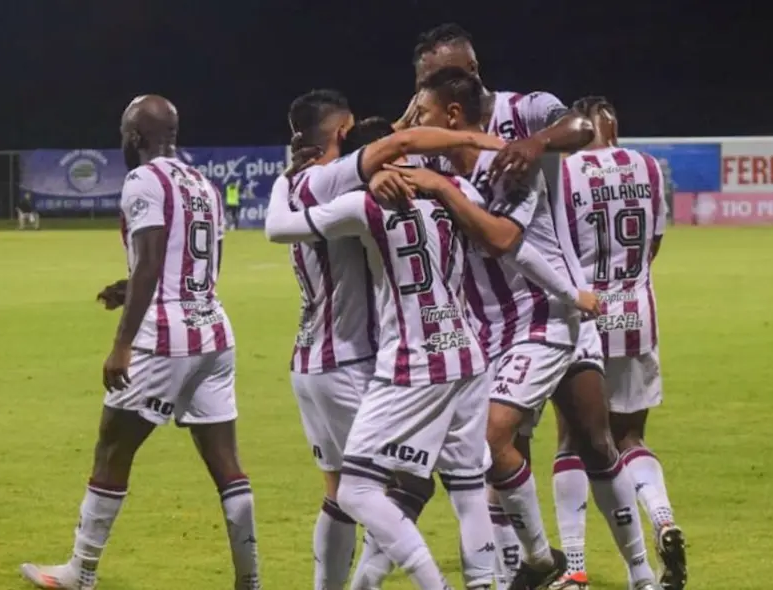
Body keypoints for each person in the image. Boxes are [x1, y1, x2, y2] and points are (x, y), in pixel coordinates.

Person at [346, 23, 601, 590]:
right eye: (420, 86)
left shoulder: (524, 115)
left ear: (465, 77)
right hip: (471, 324)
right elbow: (377, 150)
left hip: (539, 309)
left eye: (431, 85)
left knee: (504, 439)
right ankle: (515, 568)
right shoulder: (429, 136)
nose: (421, 100)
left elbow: (579, 127)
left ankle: (545, 561)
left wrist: (535, 143)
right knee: (469, 462)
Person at [394, 67, 654, 590]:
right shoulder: (439, 162)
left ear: (452, 113)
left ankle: (584, 567)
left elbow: (503, 239)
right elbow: (385, 151)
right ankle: (539, 563)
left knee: (554, 441)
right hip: (487, 329)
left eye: (422, 110)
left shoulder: (510, 162)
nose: (414, 123)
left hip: (543, 318)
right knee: (513, 447)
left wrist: (444, 191)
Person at [276, 89, 516, 590]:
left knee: (353, 493)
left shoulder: (357, 203)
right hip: (464, 352)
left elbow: (280, 229)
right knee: (463, 489)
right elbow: (496, 238)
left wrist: (284, 178)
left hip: (392, 360)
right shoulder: (454, 188)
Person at [19, 95, 261, 590]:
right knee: (226, 461)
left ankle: (80, 572)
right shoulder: (205, 186)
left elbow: (151, 259)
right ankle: (250, 580)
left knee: (112, 447)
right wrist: (128, 288)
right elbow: (199, 268)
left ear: (134, 138)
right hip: (214, 331)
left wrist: (122, 344)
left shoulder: (142, 180)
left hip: (165, 339)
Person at [559, 96, 685, 590]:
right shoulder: (650, 168)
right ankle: (663, 519)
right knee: (630, 438)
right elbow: (653, 244)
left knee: (574, 440)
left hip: (585, 321)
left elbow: (560, 247)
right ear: (615, 125)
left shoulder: (567, 173)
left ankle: (574, 566)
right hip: (639, 316)